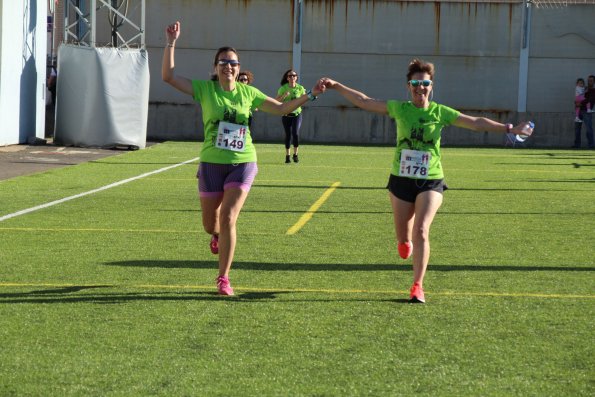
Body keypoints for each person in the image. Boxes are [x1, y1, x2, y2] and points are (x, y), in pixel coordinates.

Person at [320, 59, 533, 303]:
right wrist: (336, 86)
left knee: (422, 230)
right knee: (404, 238)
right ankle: (404, 243)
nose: (420, 87)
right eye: (416, 83)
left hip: (431, 180)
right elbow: (364, 101)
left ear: (431, 86)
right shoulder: (400, 108)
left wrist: (510, 128)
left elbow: (475, 122)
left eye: (425, 83)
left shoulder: (440, 112)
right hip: (401, 180)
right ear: (408, 86)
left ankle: (417, 285)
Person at [162, 21, 324, 295]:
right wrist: (171, 42)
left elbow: (283, 108)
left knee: (228, 217)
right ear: (215, 68)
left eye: (234, 63)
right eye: (223, 62)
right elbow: (169, 77)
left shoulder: (249, 93)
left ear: (239, 68)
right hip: (212, 164)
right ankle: (216, 237)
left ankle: (223, 278)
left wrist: (311, 94)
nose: (229, 66)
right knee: (210, 224)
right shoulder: (205, 90)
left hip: (243, 162)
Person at [276, 69, 307, 163]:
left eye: (294, 75)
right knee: (288, 135)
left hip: (296, 114)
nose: (292, 77)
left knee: (295, 133)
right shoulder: (283, 88)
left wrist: (308, 96)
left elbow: (305, 99)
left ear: (296, 78)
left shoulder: (300, 88)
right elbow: (276, 101)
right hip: (286, 115)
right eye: (290, 76)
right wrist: (284, 96)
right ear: (287, 78)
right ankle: (287, 156)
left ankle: (295, 154)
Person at [575, 75, 595, 149]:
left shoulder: (593, 90)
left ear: (594, 82)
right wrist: (576, 103)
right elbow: (578, 96)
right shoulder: (584, 88)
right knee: (577, 128)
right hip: (579, 110)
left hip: (587, 111)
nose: (589, 82)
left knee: (589, 129)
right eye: (588, 80)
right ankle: (577, 144)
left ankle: (591, 144)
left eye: (591, 81)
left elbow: (590, 99)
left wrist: (580, 103)